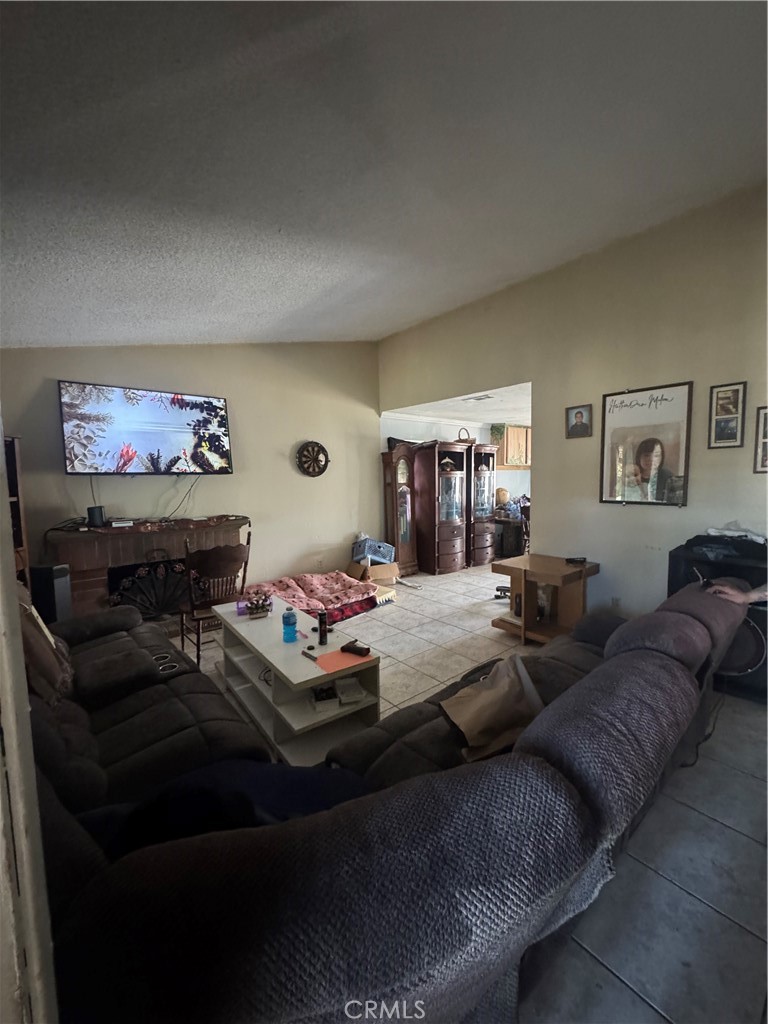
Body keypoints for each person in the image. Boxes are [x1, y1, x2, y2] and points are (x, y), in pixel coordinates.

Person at [634, 437, 673, 501]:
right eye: (647, 455)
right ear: (639, 456)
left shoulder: (668, 477)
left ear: (661, 457)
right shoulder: (631, 475)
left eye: (656, 455)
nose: (651, 459)